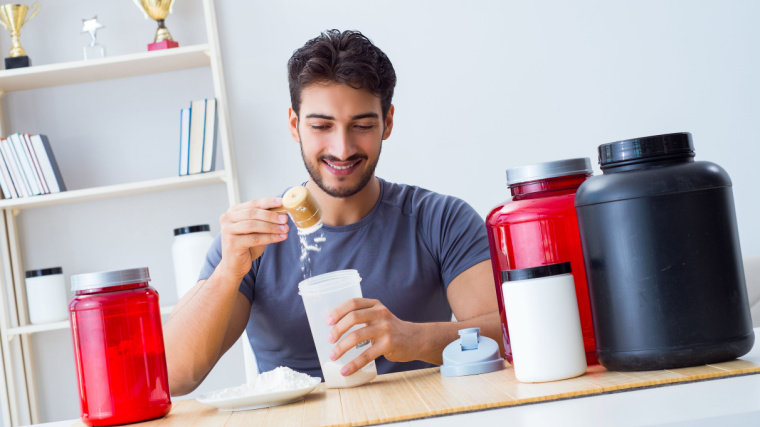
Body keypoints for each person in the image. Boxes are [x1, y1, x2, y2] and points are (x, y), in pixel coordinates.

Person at [164, 29, 502, 396]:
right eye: (321, 126)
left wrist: (414, 337)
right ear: (295, 125)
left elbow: (511, 333)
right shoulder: (251, 240)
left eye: (362, 126)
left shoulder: (440, 219)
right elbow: (172, 377)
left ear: (387, 122)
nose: (342, 149)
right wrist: (226, 273)